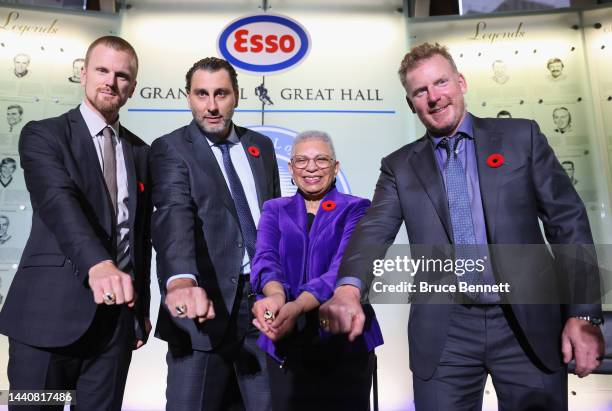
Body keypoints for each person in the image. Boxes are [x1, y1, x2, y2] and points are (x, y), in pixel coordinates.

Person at [320, 42, 604, 411]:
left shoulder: (522, 138)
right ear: (410, 103)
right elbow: (374, 230)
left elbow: (567, 223)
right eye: (420, 91)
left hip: (527, 323)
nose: (434, 97)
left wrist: (582, 313)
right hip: (446, 329)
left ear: (461, 83)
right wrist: (348, 288)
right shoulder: (399, 166)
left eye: (441, 83)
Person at [0, 36, 152, 411]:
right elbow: (57, 202)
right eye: (102, 70)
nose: (110, 82)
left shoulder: (142, 152)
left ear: (132, 87)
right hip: (45, 323)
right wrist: (98, 264)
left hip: (114, 330)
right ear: (83, 73)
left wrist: (141, 309)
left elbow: (140, 235)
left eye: (121, 75)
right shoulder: (43, 134)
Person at [151, 56, 280, 411]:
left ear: (237, 96)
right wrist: (180, 280)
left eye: (221, 94)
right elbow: (174, 216)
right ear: (188, 97)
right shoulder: (171, 148)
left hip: (261, 308)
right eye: (201, 94)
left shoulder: (261, 147)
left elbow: (272, 223)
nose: (211, 105)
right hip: (201, 309)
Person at [250, 130, 383, 411]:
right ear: (291, 168)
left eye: (321, 159)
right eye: (302, 160)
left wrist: (297, 305)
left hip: (345, 343)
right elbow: (265, 259)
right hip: (285, 342)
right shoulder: (274, 209)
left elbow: (344, 268)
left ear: (336, 168)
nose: (311, 168)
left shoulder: (357, 208)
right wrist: (274, 295)